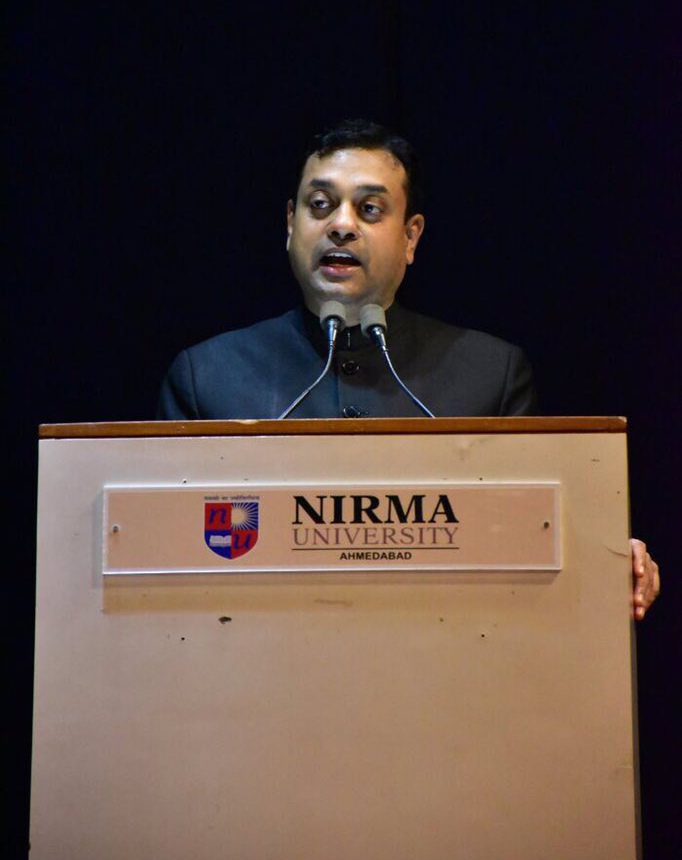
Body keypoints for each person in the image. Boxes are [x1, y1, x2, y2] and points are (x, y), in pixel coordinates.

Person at [157, 118, 660, 617]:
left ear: (411, 236)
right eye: (320, 204)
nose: (341, 225)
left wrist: (604, 561)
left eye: (370, 209)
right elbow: (162, 544)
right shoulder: (209, 375)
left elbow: (534, 533)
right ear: (291, 223)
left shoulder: (489, 373)